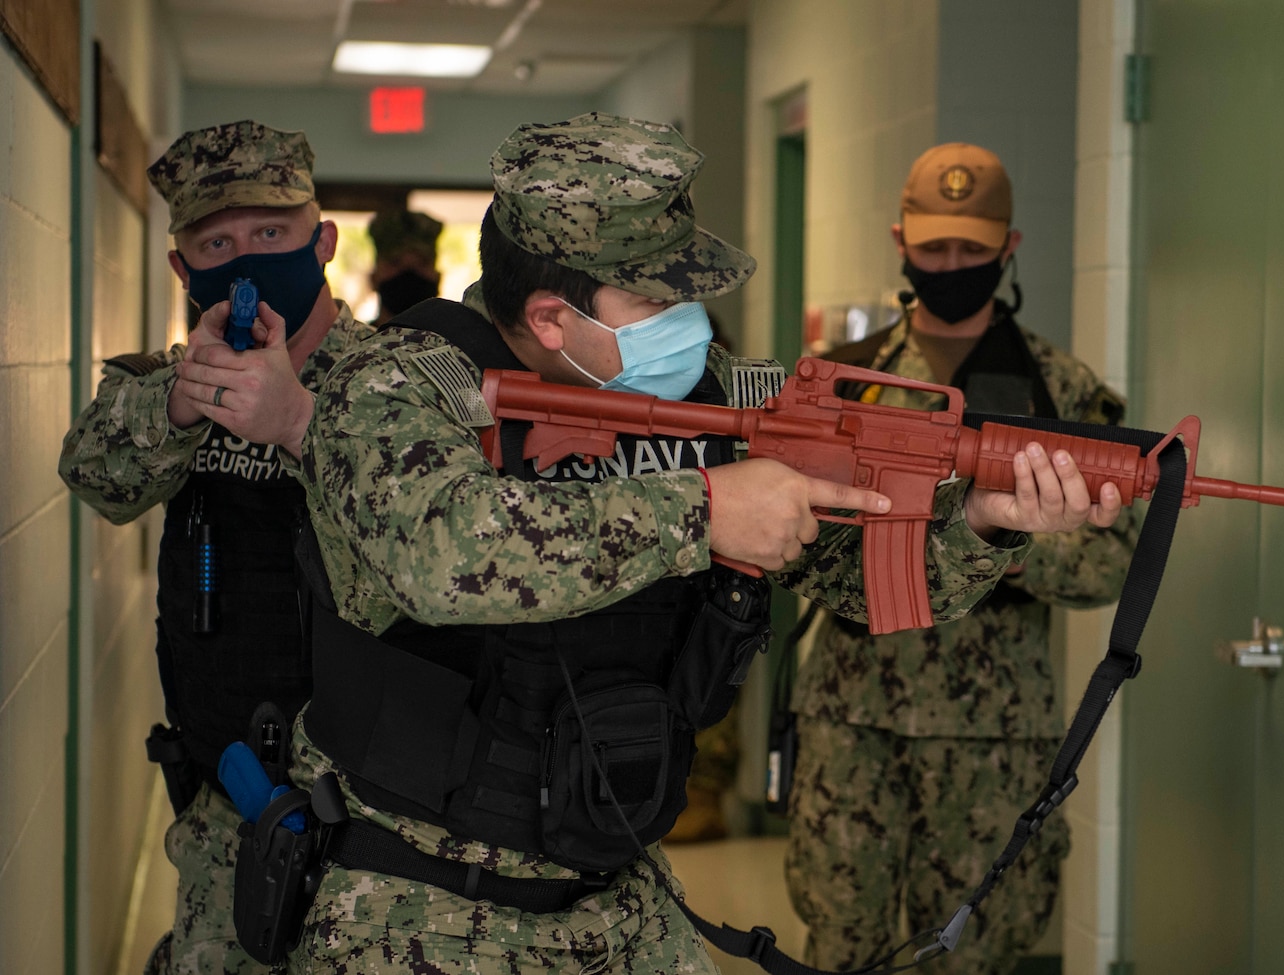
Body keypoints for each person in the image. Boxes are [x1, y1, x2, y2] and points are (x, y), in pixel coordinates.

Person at [283, 113, 1123, 975]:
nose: (689, 321)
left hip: (615, 885)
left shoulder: (720, 403)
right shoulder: (391, 391)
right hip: (413, 897)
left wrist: (982, 520)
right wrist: (705, 511)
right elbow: (441, 556)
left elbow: (864, 576)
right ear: (549, 318)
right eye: (657, 300)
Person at [783, 142, 1142, 975]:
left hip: (994, 733)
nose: (951, 265)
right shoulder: (848, 378)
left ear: (1009, 247)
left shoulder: (1061, 390)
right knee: (841, 944)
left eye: (972, 250)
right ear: (900, 238)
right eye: (934, 247)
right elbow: (790, 531)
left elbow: (1114, 557)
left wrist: (1000, 545)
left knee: (973, 949)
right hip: (852, 716)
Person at [56, 119, 372, 974]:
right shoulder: (167, 393)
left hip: (390, 819)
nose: (245, 260)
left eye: (272, 234)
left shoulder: (398, 384)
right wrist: (179, 406)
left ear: (325, 241)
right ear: (182, 268)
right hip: (229, 808)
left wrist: (302, 424)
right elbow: (93, 473)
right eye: (216, 242)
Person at [368, 208, 443, 323]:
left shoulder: (459, 340)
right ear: (373, 278)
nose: (409, 272)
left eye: (421, 263)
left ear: (438, 278)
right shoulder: (357, 341)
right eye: (395, 262)